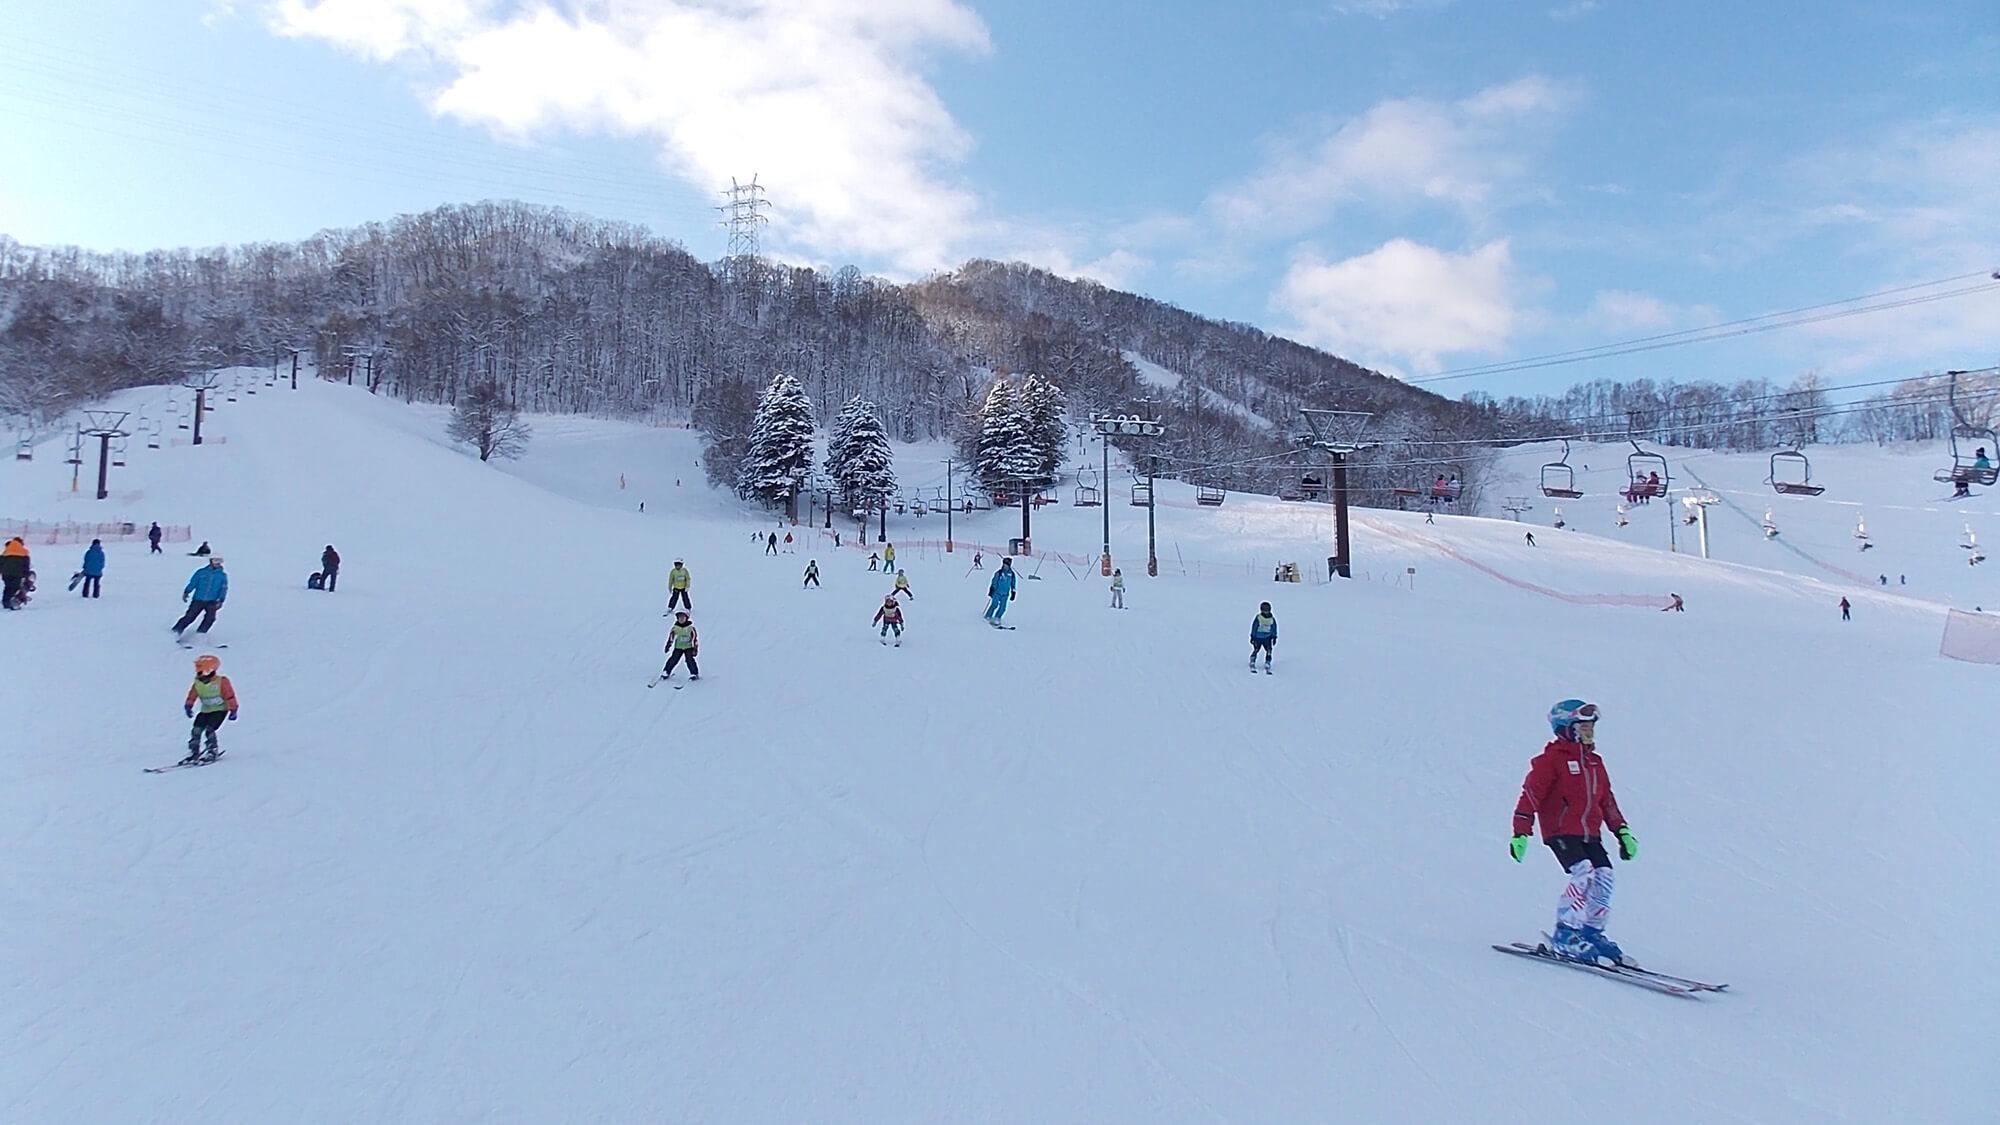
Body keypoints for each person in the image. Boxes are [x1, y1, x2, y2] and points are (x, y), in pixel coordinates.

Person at [1510, 700, 1636, 965]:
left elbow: (1607, 801)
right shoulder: (1551, 761)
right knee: (1584, 873)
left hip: (1589, 832)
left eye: (1591, 727)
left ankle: (1591, 932)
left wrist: (1622, 832)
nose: (1589, 732)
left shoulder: (1594, 763)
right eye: (1583, 727)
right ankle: (1565, 933)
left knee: (1604, 876)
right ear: (1567, 728)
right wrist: (1521, 832)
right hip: (1561, 831)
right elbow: (1530, 796)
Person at [179, 652, 240, 766]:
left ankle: (212, 750)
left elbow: (230, 695)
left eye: (201, 671)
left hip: (220, 710)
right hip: (205, 710)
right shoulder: (198, 683)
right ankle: (194, 750)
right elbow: (192, 694)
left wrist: (233, 710)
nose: (199, 674)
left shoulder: (222, 681)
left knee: (209, 729)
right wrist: (188, 705)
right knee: (196, 729)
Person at [173, 557, 228, 638]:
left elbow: (223, 588)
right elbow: (193, 583)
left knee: (210, 619)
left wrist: (221, 600)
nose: (218, 563)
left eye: (220, 561)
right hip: (198, 599)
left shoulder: (222, 575)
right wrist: (187, 592)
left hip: (212, 601)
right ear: (211, 561)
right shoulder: (201, 572)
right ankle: (176, 631)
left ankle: (200, 635)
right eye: (215, 561)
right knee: (190, 617)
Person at [662, 610, 700, 680]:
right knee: (673, 659)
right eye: (679, 618)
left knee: (689, 660)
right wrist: (668, 645)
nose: (681, 619)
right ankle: (666, 671)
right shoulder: (675, 628)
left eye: (683, 618)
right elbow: (671, 637)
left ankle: (694, 673)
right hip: (678, 647)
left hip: (688, 647)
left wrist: (695, 649)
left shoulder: (690, 628)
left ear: (686, 618)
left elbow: (694, 639)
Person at [985, 557, 1017, 625]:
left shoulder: (1012, 574)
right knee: (994, 605)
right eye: (1004, 564)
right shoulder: (999, 573)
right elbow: (994, 581)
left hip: (1005, 594)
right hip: (997, 592)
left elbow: (1013, 583)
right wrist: (992, 589)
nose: (1004, 566)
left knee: (1003, 608)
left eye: (1006, 565)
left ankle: (997, 618)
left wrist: (1013, 592)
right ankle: (988, 616)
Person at [1, 536, 31, 609]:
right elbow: (26, 565)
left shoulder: (6, 551)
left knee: (8, 587)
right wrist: (26, 574)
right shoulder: (24, 552)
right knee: (15, 587)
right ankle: (12, 602)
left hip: (6, 573)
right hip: (17, 573)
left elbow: (0, 562)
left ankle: (5, 602)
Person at [1249, 602, 1277, 672]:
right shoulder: (1259, 618)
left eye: (1267, 610)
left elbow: (1273, 628)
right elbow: (1254, 627)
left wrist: (1274, 637)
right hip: (1258, 637)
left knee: (1269, 650)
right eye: (1264, 610)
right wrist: (1252, 636)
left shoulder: (1271, 619)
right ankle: (1253, 659)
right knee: (1256, 649)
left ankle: (1268, 661)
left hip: (1267, 638)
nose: (1266, 612)